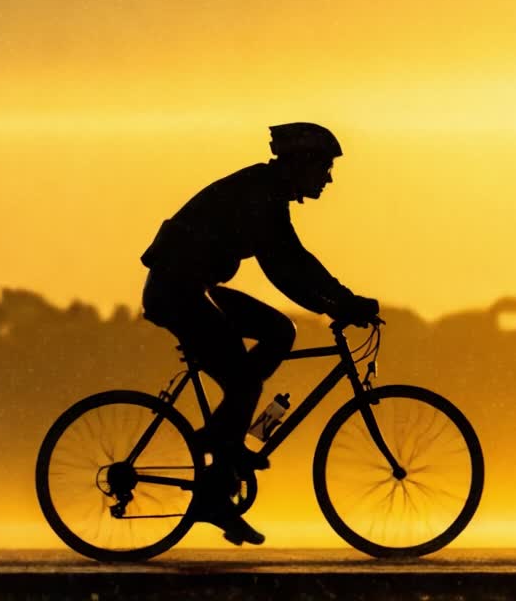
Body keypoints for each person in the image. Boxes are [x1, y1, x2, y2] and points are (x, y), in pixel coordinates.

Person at [139, 122, 379, 546]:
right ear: (300, 163)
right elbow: (286, 267)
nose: (328, 178)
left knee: (278, 331)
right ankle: (219, 465)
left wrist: (339, 301)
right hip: (177, 292)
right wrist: (341, 304)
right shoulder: (259, 196)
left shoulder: (267, 194)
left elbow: (294, 261)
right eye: (323, 167)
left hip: (193, 287)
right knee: (245, 380)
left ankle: (224, 439)